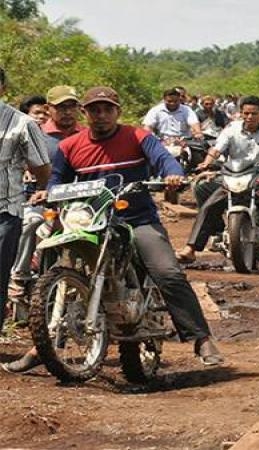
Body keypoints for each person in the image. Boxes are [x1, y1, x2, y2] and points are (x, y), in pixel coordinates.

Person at [24, 86, 223, 369]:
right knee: (54, 264)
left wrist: (173, 176)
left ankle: (201, 338)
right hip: (89, 220)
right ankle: (44, 341)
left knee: (167, 272)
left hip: (137, 219)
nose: (101, 115)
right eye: (94, 110)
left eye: (107, 109)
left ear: (118, 112)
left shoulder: (138, 137)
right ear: (86, 113)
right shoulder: (70, 146)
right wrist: (49, 193)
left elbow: (164, 160)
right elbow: (57, 179)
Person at [174, 96, 259, 264]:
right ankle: (191, 248)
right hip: (231, 176)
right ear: (241, 113)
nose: (250, 117)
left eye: (254, 114)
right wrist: (206, 162)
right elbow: (217, 148)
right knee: (208, 204)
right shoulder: (231, 129)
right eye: (246, 113)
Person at [7, 85, 85, 314]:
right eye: (61, 107)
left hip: (79, 205)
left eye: (72, 106)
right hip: (37, 200)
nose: (67, 112)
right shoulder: (34, 133)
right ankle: (18, 279)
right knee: (30, 223)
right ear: (49, 109)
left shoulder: (87, 136)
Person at [0, 67, 52, 338]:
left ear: (2, 88)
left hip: (5, 210)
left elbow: (42, 165)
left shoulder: (22, 123)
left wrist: (41, 190)